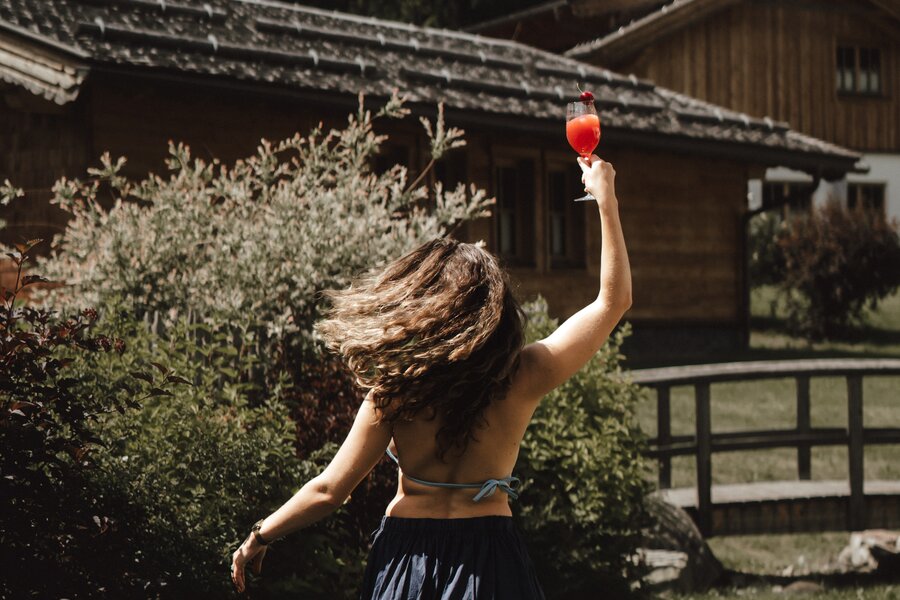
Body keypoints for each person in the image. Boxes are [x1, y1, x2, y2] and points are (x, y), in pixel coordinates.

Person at [230, 154, 631, 598]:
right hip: (490, 560)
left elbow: (328, 491)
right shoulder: (522, 377)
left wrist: (259, 535)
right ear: (492, 312)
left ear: (426, 309)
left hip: (408, 560)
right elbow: (612, 303)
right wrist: (605, 199)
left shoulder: (396, 392)